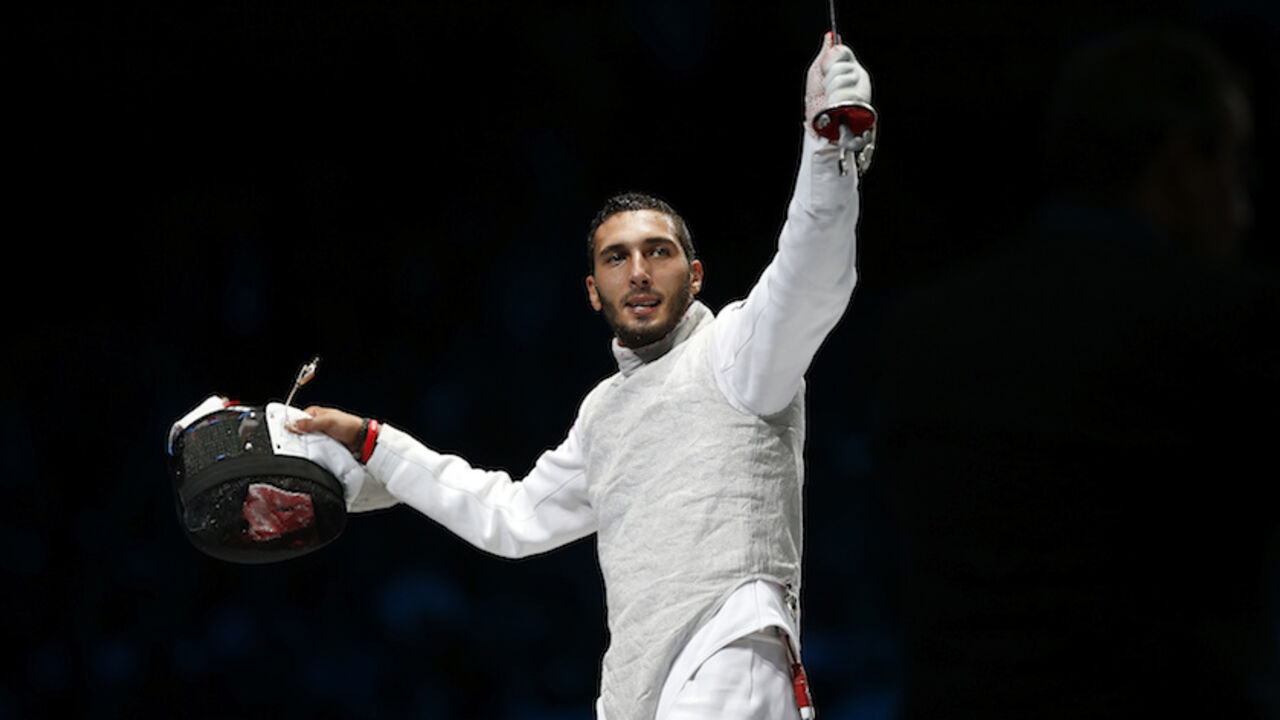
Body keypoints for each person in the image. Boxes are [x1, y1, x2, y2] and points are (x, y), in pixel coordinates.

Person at [283, 34, 874, 720]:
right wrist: (372, 443)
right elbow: (510, 518)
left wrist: (828, 144)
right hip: (633, 695)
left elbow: (811, 275)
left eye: (659, 252)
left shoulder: (737, 350)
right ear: (594, 290)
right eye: (617, 259)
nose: (641, 273)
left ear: (696, 274)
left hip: (730, 659)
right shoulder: (603, 413)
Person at [873, 26, 1279, 719]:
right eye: (1236, 164)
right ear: (1181, 165)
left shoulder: (921, 324)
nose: (1242, 201)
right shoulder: (1232, 321)